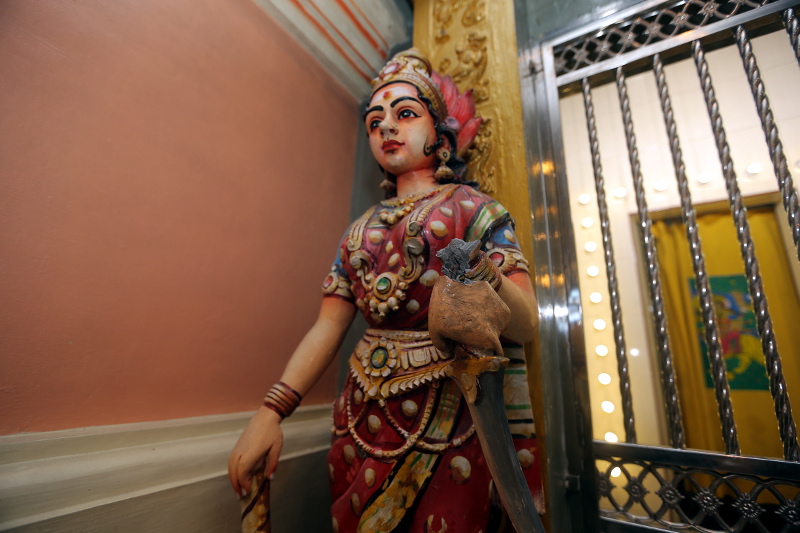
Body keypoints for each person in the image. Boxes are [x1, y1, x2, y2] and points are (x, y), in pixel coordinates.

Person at [228, 49, 543, 533]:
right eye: (375, 122)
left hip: (454, 413)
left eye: (405, 114)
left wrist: (487, 279)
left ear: (439, 132)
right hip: (360, 415)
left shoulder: (474, 210)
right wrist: (271, 412)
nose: (387, 128)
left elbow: (527, 323)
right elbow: (328, 326)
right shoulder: (358, 232)